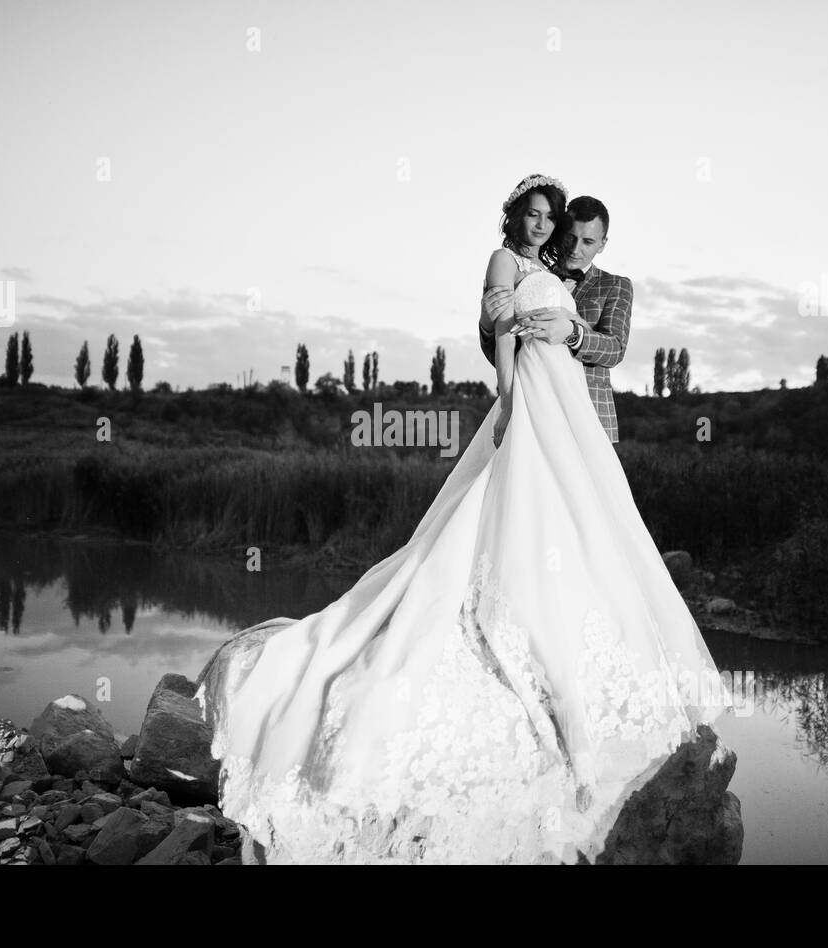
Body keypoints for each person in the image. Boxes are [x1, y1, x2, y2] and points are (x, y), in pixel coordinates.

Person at [193, 173, 730, 865]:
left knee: (596, 529)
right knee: (516, 507)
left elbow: (612, 347)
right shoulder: (518, 263)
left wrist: (572, 328)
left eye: (570, 230)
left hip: (586, 417)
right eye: (553, 225)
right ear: (535, 224)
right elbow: (494, 330)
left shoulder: (608, 284)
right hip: (534, 398)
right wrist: (507, 387)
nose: (562, 238)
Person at [478, 193, 632, 442]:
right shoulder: (529, 272)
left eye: (588, 241)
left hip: (591, 418)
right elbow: (504, 350)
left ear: (602, 244)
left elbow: (615, 349)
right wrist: (487, 323)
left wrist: (573, 333)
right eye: (571, 237)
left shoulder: (616, 285)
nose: (575, 248)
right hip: (535, 403)